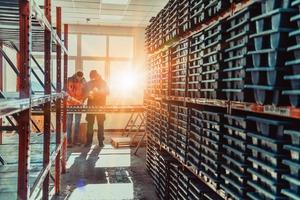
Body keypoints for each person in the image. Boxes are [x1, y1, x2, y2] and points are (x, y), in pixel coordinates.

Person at [84, 70, 109, 147]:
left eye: (93, 77)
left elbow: (107, 92)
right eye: (91, 78)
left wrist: (98, 93)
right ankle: (89, 142)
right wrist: (89, 95)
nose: (92, 79)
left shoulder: (103, 83)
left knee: (100, 124)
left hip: (100, 106)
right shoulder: (88, 83)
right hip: (91, 107)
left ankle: (101, 141)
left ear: (97, 75)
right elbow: (85, 93)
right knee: (90, 125)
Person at [67, 71, 86, 147]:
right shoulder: (69, 80)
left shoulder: (83, 81)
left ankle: (76, 141)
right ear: (76, 76)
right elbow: (65, 91)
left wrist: (83, 99)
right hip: (69, 104)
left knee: (77, 123)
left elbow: (86, 92)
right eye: (79, 78)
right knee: (69, 123)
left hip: (78, 105)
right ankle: (68, 141)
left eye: (81, 78)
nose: (80, 79)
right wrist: (69, 98)